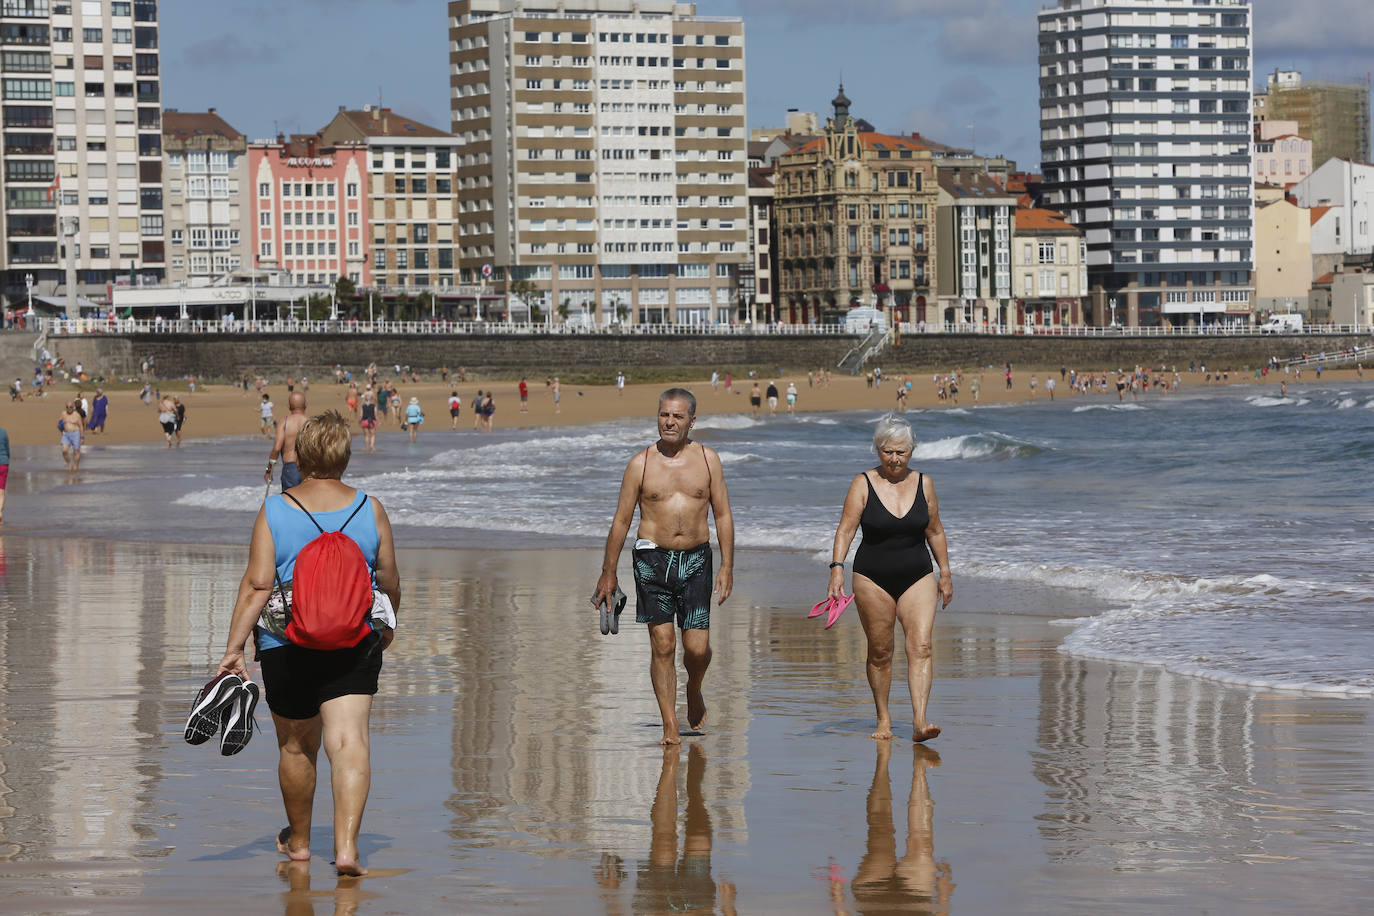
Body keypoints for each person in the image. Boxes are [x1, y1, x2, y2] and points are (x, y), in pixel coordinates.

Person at [212, 411, 400, 877]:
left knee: (296, 747)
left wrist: (234, 648)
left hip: (285, 642)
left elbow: (258, 585)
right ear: (345, 456)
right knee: (349, 741)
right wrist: (387, 627)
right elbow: (389, 581)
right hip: (354, 639)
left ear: (301, 455)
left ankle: (299, 843)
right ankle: (347, 849)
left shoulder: (275, 511)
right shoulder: (370, 508)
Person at [593, 388, 734, 746]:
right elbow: (621, 521)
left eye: (677, 416)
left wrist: (727, 566)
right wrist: (608, 573)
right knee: (663, 644)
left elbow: (722, 515)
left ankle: (694, 686)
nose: (669, 422)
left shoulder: (708, 460)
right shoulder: (640, 464)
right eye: (664, 415)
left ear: (692, 421)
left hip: (697, 560)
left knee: (697, 649)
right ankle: (670, 725)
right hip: (651, 561)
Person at [827, 415, 952, 742]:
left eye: (901, 452)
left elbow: (935, 530)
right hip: (872, 577)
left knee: (921, 646)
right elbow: (846, 529)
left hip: (918, 574)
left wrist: (945, 572)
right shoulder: (862, 483)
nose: (895, 459)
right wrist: (837, 568)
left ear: (912, 451)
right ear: (877, 449)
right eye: (888, 452)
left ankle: (919, 721)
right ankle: (883, 718)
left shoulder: (924, 483)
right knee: (880, 652)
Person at [267, 392, 309, 491]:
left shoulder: (284, 422)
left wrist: (269, 470)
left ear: (289, 406)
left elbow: (277, 448)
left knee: (290, 499)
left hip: (291, 468)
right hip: (308, 469)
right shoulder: (312, 423)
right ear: (306, 405)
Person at [59, 400, 84, 471]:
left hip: (76, 434)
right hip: (66, 434)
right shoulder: (63, 414)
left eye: (70, 407)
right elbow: (59, 423)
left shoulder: (77, 415)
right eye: (67, 407)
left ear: (73, 407)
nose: (69, 408)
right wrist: (61, 430)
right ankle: (69, 464)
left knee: (76, 451)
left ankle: (76, 466)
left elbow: (81, 426)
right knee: (64, 450)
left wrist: (82, 437)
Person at [359, 387, 378, 454]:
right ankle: (372, 446)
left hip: (364, 421)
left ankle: (367, 448)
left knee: (366, 435)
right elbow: (375, 414)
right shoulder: (373, 405)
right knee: (373, 435)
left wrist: (359, 421)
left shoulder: (363, 406)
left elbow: (361, 415)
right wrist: (378, 421)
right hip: (372, 421)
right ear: (371, 399)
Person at [0, 425, 9, 523]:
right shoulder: (3, 432)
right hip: (3, 463)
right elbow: (7, 448)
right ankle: (0, 513)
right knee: (1, 491)